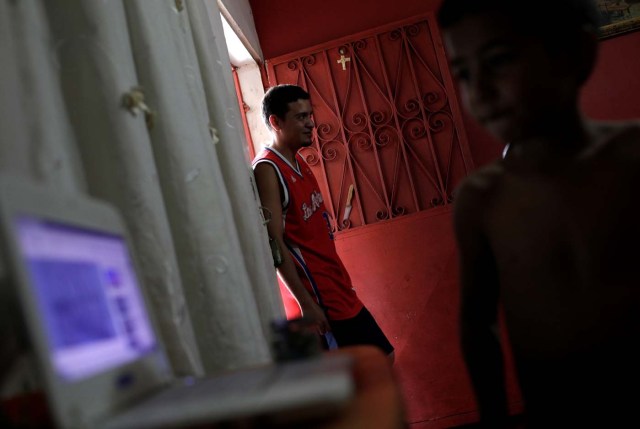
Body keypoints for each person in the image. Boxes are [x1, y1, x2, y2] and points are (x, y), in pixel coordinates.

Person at [437, 0, 640, 427]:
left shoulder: (632, 159)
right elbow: (478, 327)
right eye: (464, 74)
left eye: (498, 61)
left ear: (574, 54)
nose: (481, 91)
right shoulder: (481, 201)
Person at [252, 84, 394, 361]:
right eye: (300, 117)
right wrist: (307, 304)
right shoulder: (268, 169)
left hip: (338, 286)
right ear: (275, 122)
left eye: (309, 115)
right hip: (320, 298)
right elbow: (274, 244)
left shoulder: (299, 161)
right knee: (360, 373)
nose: (310, 124)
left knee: (382, 359)